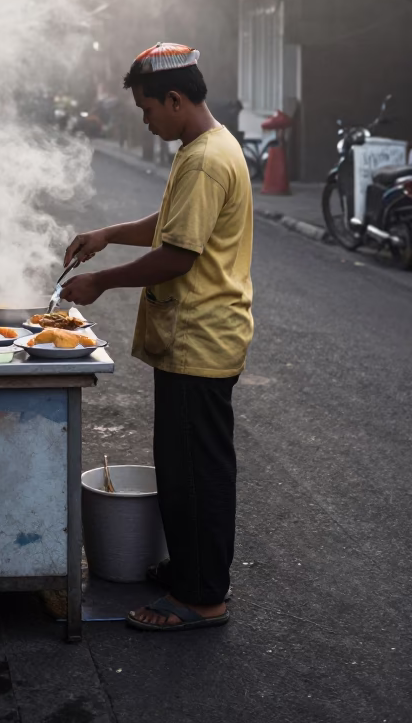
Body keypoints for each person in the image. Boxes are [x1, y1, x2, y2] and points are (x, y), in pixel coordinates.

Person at [60, 42, 253, 632]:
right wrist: (108, 234)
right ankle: (192, 571)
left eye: (147, 110)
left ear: (175, 98)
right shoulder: (209, 147)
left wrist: (100, 282)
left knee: (197, 472)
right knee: (184, 467)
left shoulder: (202, 158)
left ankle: (202, 598)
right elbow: (171, 222)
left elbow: (176, 253)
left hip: (201, 337)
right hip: (198, 338)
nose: (145, 121)